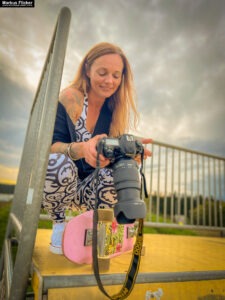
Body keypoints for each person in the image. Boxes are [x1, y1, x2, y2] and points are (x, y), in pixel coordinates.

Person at [42, 42, 152, 254]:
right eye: (102, 72)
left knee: (120, 172)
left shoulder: (114, 110)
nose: (109, 81)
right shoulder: (70, 97)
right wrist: (82, 149)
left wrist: (128, 156)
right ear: (87, 69)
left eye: (116, 75)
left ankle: (97, 226)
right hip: (62, 186)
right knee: (56, 162)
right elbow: (50, 148)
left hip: (90, 189)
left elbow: (109, 161)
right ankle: (59, 224)